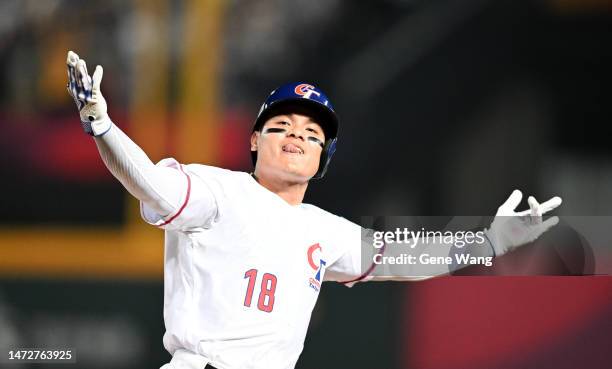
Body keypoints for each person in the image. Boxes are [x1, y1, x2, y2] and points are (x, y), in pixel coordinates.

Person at [66, 51, 562, 369]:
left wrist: (492, 242)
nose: (299, 135)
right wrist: (102, 125)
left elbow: (406, 257)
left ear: (323, 158)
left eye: (312, 133)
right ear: (255, 141)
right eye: (283, 125)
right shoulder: (220, 190)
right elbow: (148, 182)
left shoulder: (325, 231)